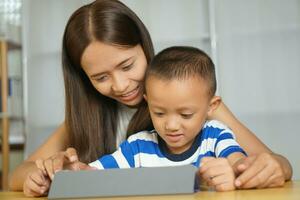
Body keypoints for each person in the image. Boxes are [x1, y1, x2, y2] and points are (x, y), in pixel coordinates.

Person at [9, 0, 292, 197]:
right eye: (101, 77)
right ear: (84, 79)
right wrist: (47, 174)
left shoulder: (188, 102)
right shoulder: (86, 118)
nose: (120, 85)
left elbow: (277, 162)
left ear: (144, 47)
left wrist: (273, 167)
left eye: (127, 66)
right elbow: (17, 176)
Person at [24, 46, 247, 194]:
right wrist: (66, 172)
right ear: (147, 102)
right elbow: (91, 173)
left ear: (212, 107)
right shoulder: (137, 146)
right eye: (159, 113)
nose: (170, 125)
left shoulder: (217, 135)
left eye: (185, 115)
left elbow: (241, 164)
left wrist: (232, 172)